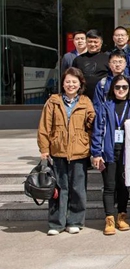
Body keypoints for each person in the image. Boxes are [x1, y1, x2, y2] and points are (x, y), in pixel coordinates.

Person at [37, 67, 95, 235]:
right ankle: (56, 223)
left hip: (79, 152)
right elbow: (44, 127)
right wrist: (44, 149)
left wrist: (89, 142)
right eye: (67, 81)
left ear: (80, 84)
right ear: (62, 84)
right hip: (58, 151)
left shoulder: (85, 101)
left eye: (74, 82)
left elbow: (92, 126)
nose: (71, 85)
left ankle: (75, 221)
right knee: (58, 189)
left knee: (78, 189)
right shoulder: (53, 101)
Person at [91, 74, 130, 235]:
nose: (121, 90)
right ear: (112, 89)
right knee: (109, 187)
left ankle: (122, 216)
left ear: (129, 89)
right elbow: (98, 131)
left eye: (124, 87)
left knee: (124, 186)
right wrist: (96, 153)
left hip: (127, 153)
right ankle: (109, 219)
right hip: (109, 152)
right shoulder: (105, 106)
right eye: (118, 87)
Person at [72, 29, 111, 100]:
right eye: (90, 41)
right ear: (86, 42)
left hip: (102, 98)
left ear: (101, 42)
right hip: (82, 99)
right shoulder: (78, 59)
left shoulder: (108, 59)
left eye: (95, 42)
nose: (92, 44)